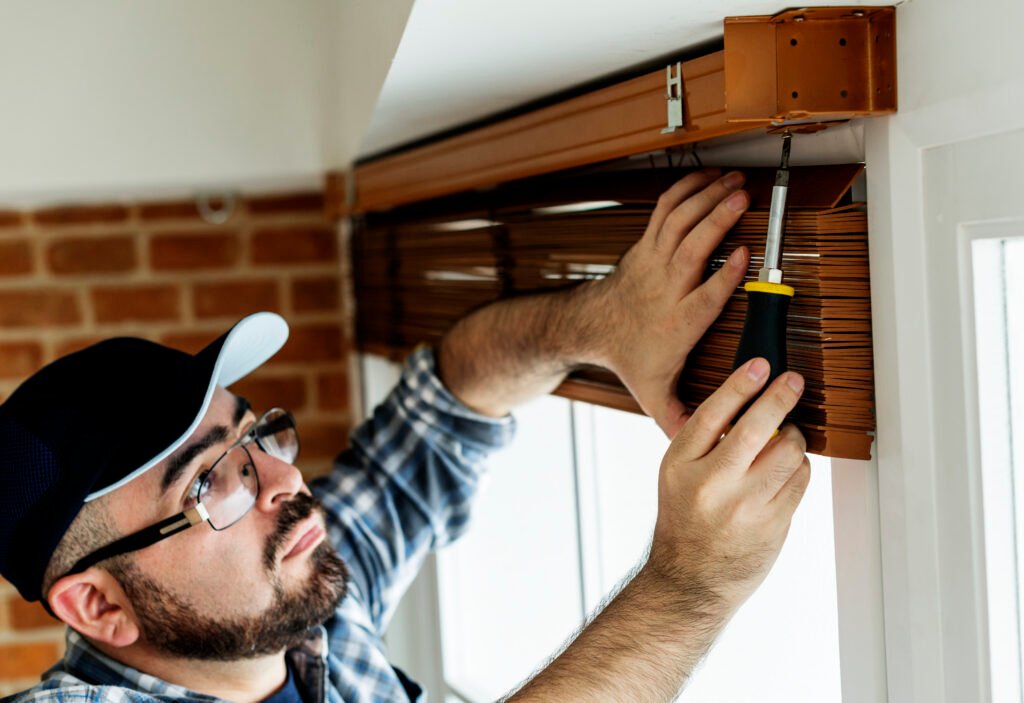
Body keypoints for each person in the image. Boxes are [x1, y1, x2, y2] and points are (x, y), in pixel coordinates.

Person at [0, 169, 810, 703]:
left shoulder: (303, 613)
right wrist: (691, 583)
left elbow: (453, 393)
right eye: (210, 483)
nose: (284, 484)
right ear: (99, 604)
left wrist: (604, 323)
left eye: (258, 438)